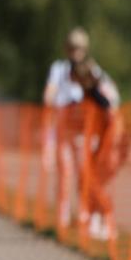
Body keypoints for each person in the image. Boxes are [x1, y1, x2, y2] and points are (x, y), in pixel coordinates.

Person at [69, 56, 123, 241]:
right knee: (87, 181)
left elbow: (111, 118)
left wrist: (107, 144)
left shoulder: (99, 93)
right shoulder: (89, 94)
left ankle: (107, 221)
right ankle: (93, 220)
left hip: (110, 144)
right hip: (101, 143)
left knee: (94, 183)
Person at [42, 28, 90, 228]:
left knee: (83, 172)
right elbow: (50, 93)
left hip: (83, 129)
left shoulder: (91, 69)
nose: (75, 51)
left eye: (78, 48)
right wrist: (53, 100)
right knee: (65, 171)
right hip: (63, 126)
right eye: (72, 47)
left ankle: (83, 214)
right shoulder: (59, 69)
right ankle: (62, 214)